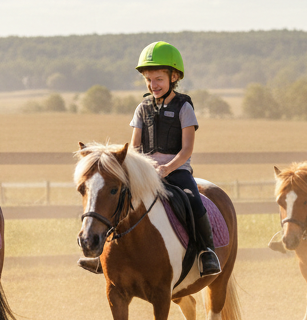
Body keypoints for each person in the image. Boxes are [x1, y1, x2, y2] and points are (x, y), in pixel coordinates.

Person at [79, 41, 221, 277]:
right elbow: (134, 147)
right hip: (145, 172)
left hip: (176, 171)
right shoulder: (142, 108)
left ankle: (206, 252)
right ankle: (103, 255)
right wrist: (138, 167)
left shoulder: (184, 107)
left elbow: (186, 149)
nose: (153, 85)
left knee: (194, 201)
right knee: (119, 204)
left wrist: (167, 168)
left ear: (174, 76)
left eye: (159, 79)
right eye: (149, 80)